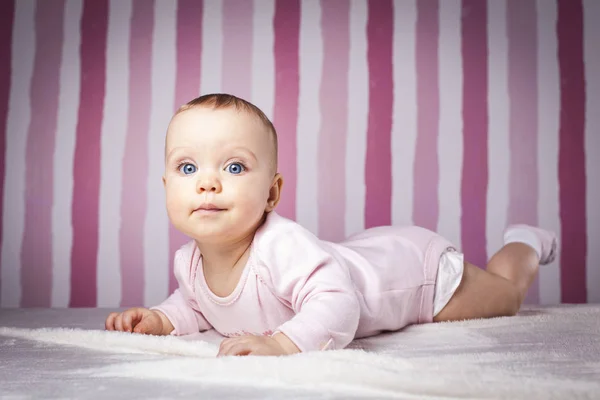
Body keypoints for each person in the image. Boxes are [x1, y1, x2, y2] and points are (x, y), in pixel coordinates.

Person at [105, 93, 557, 357]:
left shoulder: (281, 245)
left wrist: (283, 345)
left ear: (272, 193)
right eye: (187, 169)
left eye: (235, 168)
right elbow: (200, 306)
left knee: (505, 296)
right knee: (342, 259)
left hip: (416, 276)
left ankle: (524, 245)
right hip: (359, 252)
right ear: (165, 185)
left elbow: (340, 306)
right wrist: (161, 320)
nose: (207, 183)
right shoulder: (190, 263)